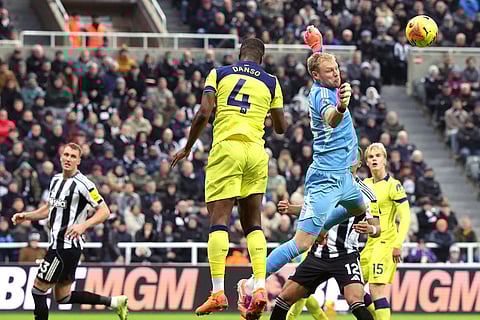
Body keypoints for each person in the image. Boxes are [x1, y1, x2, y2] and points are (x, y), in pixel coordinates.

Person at [240, 25, 366, 316]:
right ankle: (251, 282)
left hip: (346, 178)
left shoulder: (325, 76)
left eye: (337, 68)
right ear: (316, 77)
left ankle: (322, 225)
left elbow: (322, 65)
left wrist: (316, 47)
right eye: (330, 70)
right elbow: (332, 119)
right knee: (301, 243)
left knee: (359, 210)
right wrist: (344, 107)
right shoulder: (322, 97)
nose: (336, 73)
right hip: (325, 180)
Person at [171, 38, 287, 319]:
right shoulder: (271, 82)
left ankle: (218, 292)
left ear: (239, 55)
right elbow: (281, 127)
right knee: (253, 224)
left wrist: (188, 146)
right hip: (257, 153)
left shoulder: (220, 73)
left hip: (227, 148)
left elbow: (203, 113)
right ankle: (260, 286)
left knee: (219, 219)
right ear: (261, 59)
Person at [11, 142, 128, 320]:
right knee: (63, 297)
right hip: (63, 247)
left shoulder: (84, 184)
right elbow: (49, 209)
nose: (68, 159)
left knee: (38, 289)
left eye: (73, 156)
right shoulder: (56, 180)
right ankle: (114, 302)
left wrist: (83, 226)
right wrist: (26, 216)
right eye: (66, 155)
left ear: (79, 161)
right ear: (60, 157)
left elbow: (105, 211)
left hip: (64, 247)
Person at [268, 148, 379, 320]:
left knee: (355, 299)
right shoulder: (327, 185)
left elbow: (377, 228)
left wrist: (370, 229)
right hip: (318, 254)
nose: (347, 163)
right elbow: (312, 211)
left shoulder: (366, 193)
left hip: (345, 255)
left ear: (358, 164)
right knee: (285, 296)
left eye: (351, 160)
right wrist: (291, 209)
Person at [360, 143, 411, 320]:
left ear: (384, 160)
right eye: (371, 157)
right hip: (370, 243)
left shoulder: (394, 186)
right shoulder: (364, 185)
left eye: (378, 156)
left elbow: (405, 217)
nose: (374, 159)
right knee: (353, 288)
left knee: (376, 288)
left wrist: (398, 244)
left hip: (386, 243)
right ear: (366, 162)